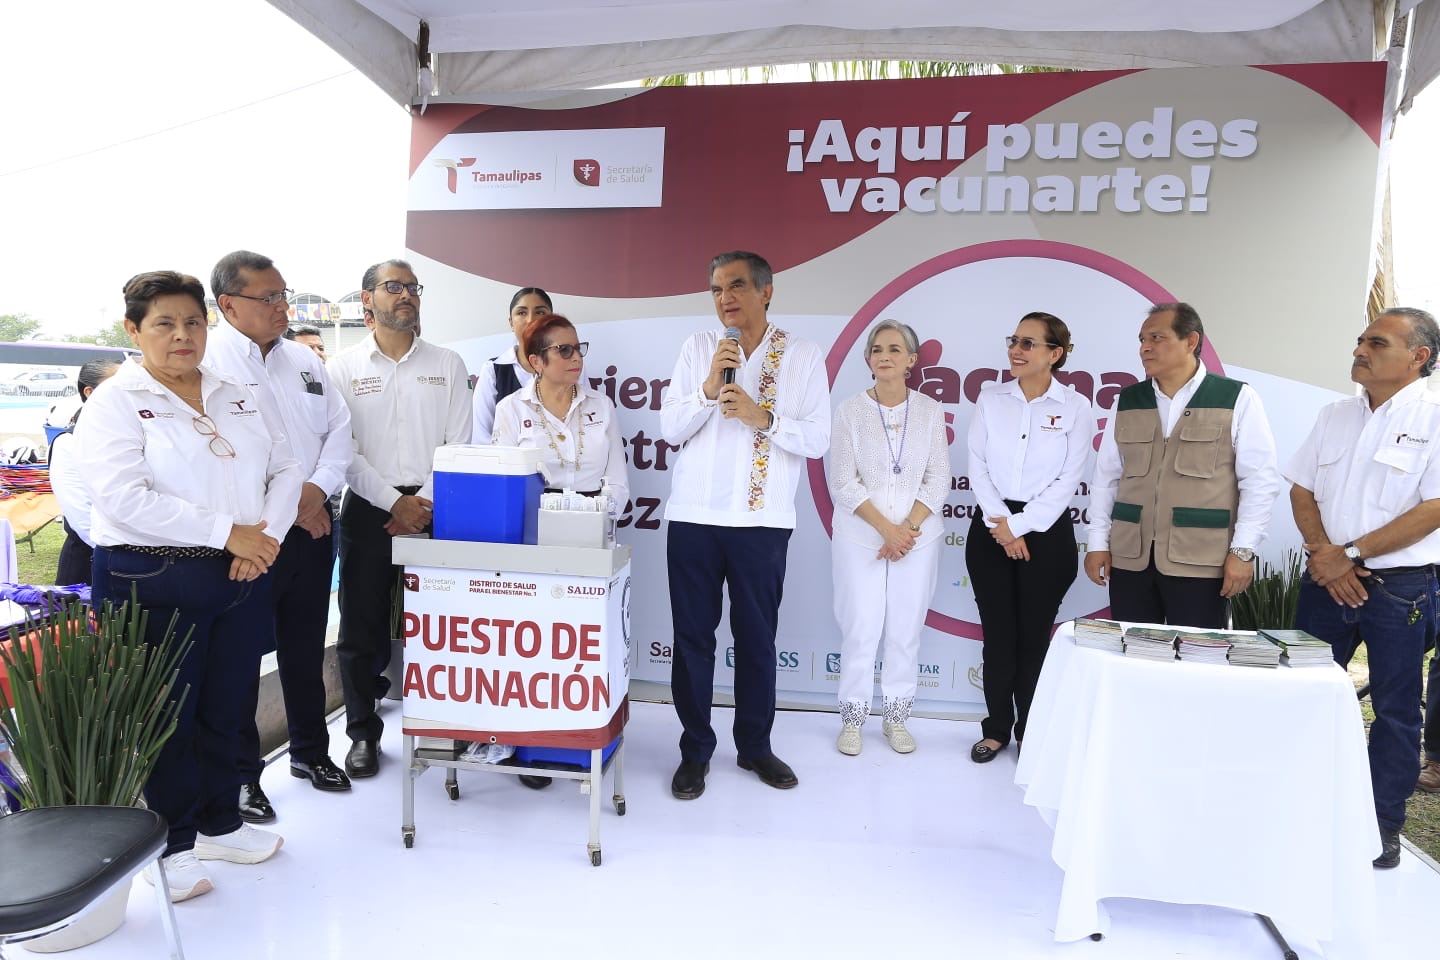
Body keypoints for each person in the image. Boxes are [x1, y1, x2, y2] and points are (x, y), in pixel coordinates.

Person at [74, 270, 302, 902]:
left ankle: (220, 823)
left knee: (227, 705)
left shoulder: (235, 390)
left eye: (193, 322)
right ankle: (171, 846)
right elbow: (122, 498)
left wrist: (263, 538)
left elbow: (287, 466)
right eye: (165, 324)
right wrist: (229, 532)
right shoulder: (116, 402)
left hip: (241, 569)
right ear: (133, 330)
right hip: (153, 575)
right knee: (165, 716)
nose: (182, 336)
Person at [660, 250, 830, 800]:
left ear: (766, 291)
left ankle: (755, 745)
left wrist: (765, 418)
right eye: (716, 289)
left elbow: (818, 438)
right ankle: (695, 749)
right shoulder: (699, 349)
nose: (725, 298)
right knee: (692, 638)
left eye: (735, 285)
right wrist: (708, 388)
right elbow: (670, 428)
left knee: (757, 638)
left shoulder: (801, 354)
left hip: (761, 521)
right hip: (694, 517)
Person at [1287, 306, 1440, 870]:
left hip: (1401, 588)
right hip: (1324, 581)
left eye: (1377, 343)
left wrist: (1347, 555)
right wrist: (1326, 557)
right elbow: (1302, 490)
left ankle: (1380, 825)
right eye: (1360, 340)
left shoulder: (1435, 418)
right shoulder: (1334, 415)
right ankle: (1298, 808)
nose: (1360, 350)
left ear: (1418, 357)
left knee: (1395, 712)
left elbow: (1434, 508)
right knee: (1302, 696)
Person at [208, 251, 356, 824]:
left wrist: (316, 492)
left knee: (305, 645)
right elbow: (233, 455)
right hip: (252, 535)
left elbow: (340, 430)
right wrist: (292, 507)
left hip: (314, 524)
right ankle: (244, 776)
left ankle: (310, 753)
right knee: (242, 658)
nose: (281, 307)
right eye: (267, 298)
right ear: (228, 305)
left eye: (283, 295)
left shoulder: (303, 359)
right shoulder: (211, 362)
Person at [328, 259, 471, 779]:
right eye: (394, 286)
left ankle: (444, 725)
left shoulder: (447, 363)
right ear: (367, 298)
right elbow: (342, 450)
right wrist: (393, 503)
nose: (406, 294)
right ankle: (363, 733)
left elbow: (459, 443)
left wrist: (419, 504)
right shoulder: (342, 368)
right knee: (360, 627)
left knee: (442, 624)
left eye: (412, 287)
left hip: (437, 507)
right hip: (369, 507)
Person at [492, 312, 629, 789]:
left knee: (582, 652)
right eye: (563, 350)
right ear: (536, 361)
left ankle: (578, 742)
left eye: (578, 348)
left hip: (592, 539)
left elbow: (618, 481)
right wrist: (549, 525)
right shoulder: (511, 409)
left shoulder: (601, 406)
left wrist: (592, 522)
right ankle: (531, 744)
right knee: (534, 649)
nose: (576, 358)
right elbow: (506, 480)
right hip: (533, 543)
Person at [1084, 302, 1280, 628]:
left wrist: (1242, 551)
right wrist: (1096, 544)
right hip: (1131, 560)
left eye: (1157, 337)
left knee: (1195, 653)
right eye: (1142, 339)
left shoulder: (1236, 398)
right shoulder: (1127, 401)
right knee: (1135, 651)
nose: (1145, 347)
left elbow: (1259, 483)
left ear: (1191, 341)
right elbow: (1106, 479)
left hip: (1201, 561)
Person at [966, 313, 1093, 762]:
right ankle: (996, 729)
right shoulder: (990, 398)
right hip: (991, 526)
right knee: (998, 636)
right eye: (1014, 341)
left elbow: (1068, 479)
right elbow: (977, 466)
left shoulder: (1076, 407)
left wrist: (1018, 527)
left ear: (1055, 354)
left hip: (1046, 531)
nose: (1016, 350)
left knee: (1035, 638)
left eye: (1028, 343)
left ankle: (1032, 734)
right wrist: (1003, 526)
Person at [828, 320, 948, 756]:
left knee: (904, 630)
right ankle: (853, 718)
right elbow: (842, 482)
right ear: (867, 359)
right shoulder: (849, 411)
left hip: (917, 541)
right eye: (877, 349)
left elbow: (939, 478)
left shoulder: (930, 411)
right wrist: (887, 530)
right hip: (861, 538)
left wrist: (907, 530)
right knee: (860, 628)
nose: (884, 356)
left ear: (911, 360)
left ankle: (896, 718)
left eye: (895, 349)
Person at [48, 358, 121, 585]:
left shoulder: (128, 436)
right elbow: (81, 514)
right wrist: (123, 555)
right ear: (89, 392)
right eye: (117, 384)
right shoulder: (68, 443)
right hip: (90, 561)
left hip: (130, 560)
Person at [474, 287, 552, 444]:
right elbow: (481, 436)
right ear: (511, 323)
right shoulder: (493, 370)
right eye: (522, 313)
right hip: (504, 460)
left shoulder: (569, 365)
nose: (531, 320)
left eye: (540, 312)